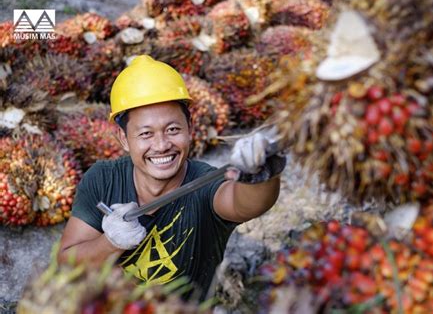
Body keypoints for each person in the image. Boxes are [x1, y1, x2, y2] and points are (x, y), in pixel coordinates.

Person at [57, 55, 286, 300]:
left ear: (190, 127)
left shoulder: (205, 186)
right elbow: (66, 262)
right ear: (123, 139)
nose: (162, 145)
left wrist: (262, 173)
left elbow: (245, 203)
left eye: (173, 129)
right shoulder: (103, 179)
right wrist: (110, 243)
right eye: (146, 134)